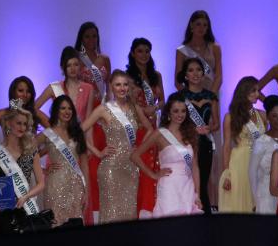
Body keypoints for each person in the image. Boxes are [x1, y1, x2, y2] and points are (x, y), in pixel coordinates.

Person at [81, 70, 152, 223]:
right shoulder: (103, 109)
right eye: (118, 85)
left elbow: (150, 129)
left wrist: (139, 149)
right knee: (111, 215)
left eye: (125, 84)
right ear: (111, 87)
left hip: (131, 168)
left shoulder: (134, 108)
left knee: (129, 214)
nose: (122, 88)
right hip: (110, 169)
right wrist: (97, 152)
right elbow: (78, 132)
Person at [130, 93, 201, 218]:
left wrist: (197, 195)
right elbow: (135, 156)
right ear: (169, 113)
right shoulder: (160, 134)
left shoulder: (190, 133)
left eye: (183, 111)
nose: (180, 115)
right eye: (176, 111)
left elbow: (195, 166)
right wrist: (154, 174)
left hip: (187, 187)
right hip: (169, 187)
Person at [0, 108, 46, 233]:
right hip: (2, 213)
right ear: (8, 123)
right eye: (19, 123)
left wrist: (26, 197)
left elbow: (41, 184)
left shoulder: (31, 152)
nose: (22, 127)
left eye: (25, 124)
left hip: (25, 210)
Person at [74, 22, 112, 221]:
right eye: (87, 36)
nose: (91, 40)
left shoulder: (105, 58)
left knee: (103, 159)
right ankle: (88, 205)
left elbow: (109, 86)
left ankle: (103, 205)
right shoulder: (77, 59)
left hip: (101, 111)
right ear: (81, 38)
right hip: (84, 111)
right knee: (88, 156)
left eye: (94, 36)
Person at [126, 37, 165, 219]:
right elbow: (128, 103)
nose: (144, 55)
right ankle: (138, 210)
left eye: (147, 51)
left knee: (153, 163)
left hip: (153, 125)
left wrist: (154, 108)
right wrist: (143, 111)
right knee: (138, 165)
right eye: (140, 51)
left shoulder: (156, 76)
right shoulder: (128, 78)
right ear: (133, 53)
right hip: (138, 126)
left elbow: (163, 101)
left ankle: (152, 209)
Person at [176, 57, 220, 211]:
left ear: (203, 73)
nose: (195, 73)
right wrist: (192, 130)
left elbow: (216, 123)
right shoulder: (178, 97)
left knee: (202, 183)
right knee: (187, 181)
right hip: (186, 143)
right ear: (186, 75)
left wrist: (209, 128)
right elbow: (173, 124)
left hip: (205, 143)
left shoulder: (211, 96)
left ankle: (204, 214)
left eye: (199, 69)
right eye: (191, 70)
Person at [37, 95, 88, 225]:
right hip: (55, 185)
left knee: (75, 225)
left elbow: (84, 163)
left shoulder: (77, 132)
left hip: (76, 186)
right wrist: (43, 169)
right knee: (55, 224)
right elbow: (27, 153)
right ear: (56, 111)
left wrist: (86, 190)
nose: (67, 111)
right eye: (63, 108)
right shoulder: (48, 133)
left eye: (70, 108)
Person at [219, 77, 263, 213]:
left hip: (259, 163)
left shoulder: (263, 115)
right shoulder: (230, 117)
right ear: (243, 92)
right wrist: (227, 173)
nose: (258, 94)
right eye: (253, 90)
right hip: (240, 163)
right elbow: (226, 146)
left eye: (258, 90)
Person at [0, 76, 48, 148]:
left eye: (28, 91)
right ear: (13, 92)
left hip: (30, 157)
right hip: (10, 157)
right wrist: (0, 154)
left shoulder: (35, 113)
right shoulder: (4, 113)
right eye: (20, 91)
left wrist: (39, 154)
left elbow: (54, 131)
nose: (25, 95)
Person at [33, 47, 96, 123]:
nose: (73, 68)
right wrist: (50, 126)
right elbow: (33, 108)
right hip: (59, 134)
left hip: (79, 133)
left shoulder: (88, 88)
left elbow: (89, 121)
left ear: (80, 66)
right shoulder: (55, 87)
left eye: (76, 64)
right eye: (69, 65)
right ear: (63, 68)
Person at [248, 95, 278, 214]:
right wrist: (255, 200)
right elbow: (252, 173)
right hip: (266, 195)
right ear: (267, 117)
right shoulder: (261, 141)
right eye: (274, 116)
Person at [174, 10, 222, 95]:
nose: (201, 28)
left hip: (211, 95)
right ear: (191, 25)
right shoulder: (182, 50)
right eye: (198, 24)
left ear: (208, 28)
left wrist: (210, 97)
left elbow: (218, 76)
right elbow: (178, 81)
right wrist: (190, 98)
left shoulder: (215, 48)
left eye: (205, 25)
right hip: (189, 98)